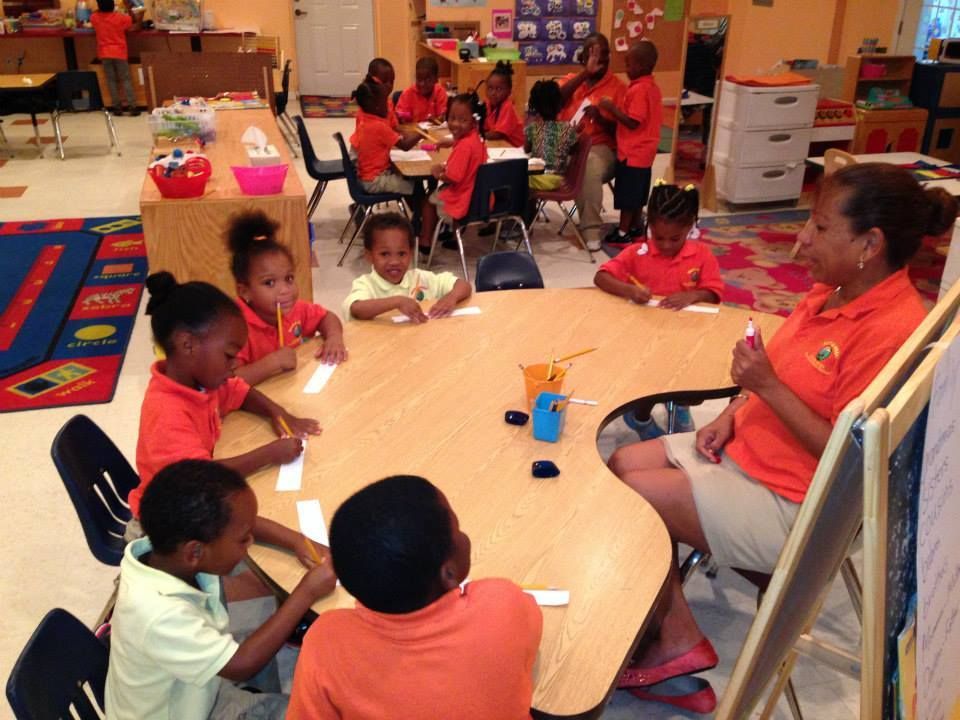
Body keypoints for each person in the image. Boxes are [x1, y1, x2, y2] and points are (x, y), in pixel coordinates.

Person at [606, 164, 956, 702]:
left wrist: (765, 386)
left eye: (819, 228)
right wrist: (732, 412)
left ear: (870, 242)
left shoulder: (891, 330)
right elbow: (781, 371)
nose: (801, 241)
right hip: (752, 451)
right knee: (622, 464)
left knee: (629, 494)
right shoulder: (829, 293)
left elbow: (853, 462)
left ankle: (673, 639)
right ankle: (663, 615)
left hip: (794, 502)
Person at [287, 474, 543, 719]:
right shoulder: (502, 603)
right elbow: (530, 632)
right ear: (449, 573)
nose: (463, 535)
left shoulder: (324, 641)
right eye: (457, 528)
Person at [105, 460, 336, 720]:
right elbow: (241, 665)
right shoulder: (160, 615)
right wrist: (306, 592)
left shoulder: (168, 548)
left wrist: (297, 541)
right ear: (195, 552)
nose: (250, 542)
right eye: (243, 539)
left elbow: (242, 522)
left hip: (197, 693)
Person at [130, 271, 321, 520]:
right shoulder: (167, 412)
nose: (234, 366)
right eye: (229, 356)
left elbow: (239, 390)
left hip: (195, 492)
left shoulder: (199, 380)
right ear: (188, 345)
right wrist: (268, 454)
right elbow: (201, 476)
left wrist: (277, 413)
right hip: (167, 521)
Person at [594, 181, 723, 439]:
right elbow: (601, 277)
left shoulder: (702, 255)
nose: (664, 245)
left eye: (674, 238)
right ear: (649, 227)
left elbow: (714, 292)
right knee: (649, 385)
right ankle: (640, 418)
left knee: (687, 380)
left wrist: (694, 294)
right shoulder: (637, 253)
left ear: (689, 228)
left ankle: (680, 407)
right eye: (658, 236)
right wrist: (630, 290)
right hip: (645, 339)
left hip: (685, 337)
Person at [227, 210, 346, 386]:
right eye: (269, 283)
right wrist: (272, 362)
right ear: (244, 291)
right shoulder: (233, 328)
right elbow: (227, 383)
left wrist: (334, 338)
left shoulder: (295, 309)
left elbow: (327, 317)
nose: (285, 290)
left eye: (289, 279)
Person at [558, 33, 626, 251]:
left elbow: (625, 130)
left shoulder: (618, 87)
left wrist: (601, 117)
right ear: (583, 56)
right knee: (532, 153)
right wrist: (584, 74)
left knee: (587, 164)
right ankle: (520, 219)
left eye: (603, 53)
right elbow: (553, 100)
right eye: (592, 53)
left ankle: (591, 230)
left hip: (600, 147)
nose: (599, 58)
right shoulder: (571, 80)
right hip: (566, 144)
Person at [343, 211, 471, 322]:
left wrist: (451, 297)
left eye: (402, 254)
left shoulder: (420, 277)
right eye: (384, 254)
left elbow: (463, 285)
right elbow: (357, 309)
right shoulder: (366, 284)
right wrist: (396, 302)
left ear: (411, 253)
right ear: (369, 256)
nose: (394, 261)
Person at [599, 41, 662, 246]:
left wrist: (611, 108)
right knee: (638, 193)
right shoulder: (652, 87)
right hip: (645, 152)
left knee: (627, 195)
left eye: (629, 65)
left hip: (633, 152)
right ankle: (636, 227)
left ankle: (624, 231)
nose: (626, 69)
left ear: (642, 66)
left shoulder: (640, 90)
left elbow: (633, 122)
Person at [418, 93, 488, 255]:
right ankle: (455, 238)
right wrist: (448, 142)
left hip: (463, 197)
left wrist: (438, 173)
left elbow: (453, 177)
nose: (455, 124)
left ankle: (426, 240)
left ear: (473, 121)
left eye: (462, 120)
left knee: (428, 201)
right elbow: (463, 142)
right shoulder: (476, 138)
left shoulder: (464, 147)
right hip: (478, 196)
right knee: (439, 193)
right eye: (452, 118)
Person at [350, 78, 421, 197]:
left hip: (366, 177)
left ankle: (413, 211)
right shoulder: (379, 127)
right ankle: (417, 215)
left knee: (405, 177)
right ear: (377, 107)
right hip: (375, 181)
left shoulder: (364, 120)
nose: (388, 107)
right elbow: (405, 145)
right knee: (415, 186)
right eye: (385, 103)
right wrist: (421, 133)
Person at [525, 79, 579, 192]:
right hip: (558, 179)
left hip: (535, 179)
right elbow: (573, 150)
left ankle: (528, 208)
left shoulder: (533, 128)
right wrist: (575, 132)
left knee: (515, 171)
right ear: (559, 105)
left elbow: (526, 148)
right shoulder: (567, 129)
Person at [90, 0, 140, 116]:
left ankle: (117, 107)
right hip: (119, 53)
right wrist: (128, 8)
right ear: (113, 6)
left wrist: (99, 9)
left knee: (111, 80)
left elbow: (93, 15)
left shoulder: (95, 18)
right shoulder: (121, 18)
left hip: (104, 53)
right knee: (125, 79)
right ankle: (132, 106)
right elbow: (133, 21)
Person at [395, 56, 448, 124]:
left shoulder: (440, 92)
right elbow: (401, 117)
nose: (422, 84)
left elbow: (441, 118)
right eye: (419, 79)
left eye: (427, 80)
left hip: (433, 132)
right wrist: (405, 116)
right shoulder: (408, 94)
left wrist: (436, 119)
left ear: (436, 79)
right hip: (413, 131)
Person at [484, 60, 524, 147]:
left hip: (517, 149)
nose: (493, 93)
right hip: (502, 146)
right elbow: (484, 127)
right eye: (490, 88)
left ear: (509, 91)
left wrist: (479, 135)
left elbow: (498, 134)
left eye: (498, 89)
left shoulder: (507, 107)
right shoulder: (487, 104)